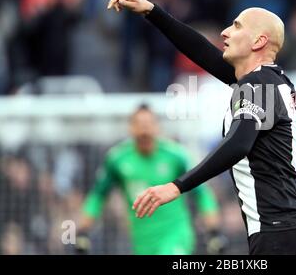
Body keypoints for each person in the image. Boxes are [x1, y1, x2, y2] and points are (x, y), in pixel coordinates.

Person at [107, 0, 296, 255]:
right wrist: (152, 11)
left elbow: (238, 144)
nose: (224, 32)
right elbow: (202, 52)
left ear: (259, 41)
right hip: (287, 231)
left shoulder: (259, 86)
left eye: (237, 26)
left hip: (281, 233)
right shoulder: (269, 82)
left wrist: (176, 186)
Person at [76, 104, 226, 255]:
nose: (144, 130)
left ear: (157, 127)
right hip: (142, 242)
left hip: (176, 236)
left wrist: (213, 230)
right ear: (131, 128)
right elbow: (98, 195)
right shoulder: (118, 159)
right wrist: (83, 231)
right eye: (139, 125)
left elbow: (202, 192)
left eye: (148, 124)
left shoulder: (176, 155)